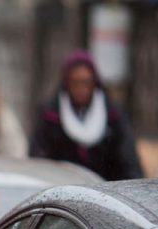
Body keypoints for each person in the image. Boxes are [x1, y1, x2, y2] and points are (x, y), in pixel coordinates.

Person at [29, 51, 142, 181]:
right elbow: (39, 159)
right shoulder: (50, 116)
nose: (81, 89)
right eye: (76, 82)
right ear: (67, 83)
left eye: (86, 82)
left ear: (94, 83)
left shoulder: (113, 116)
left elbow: (127, 160)